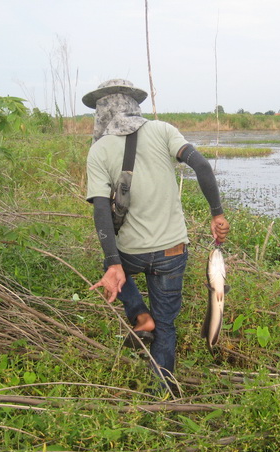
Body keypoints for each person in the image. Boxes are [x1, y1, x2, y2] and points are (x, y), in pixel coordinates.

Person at [83, 79, 229, 391]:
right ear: (134, 105)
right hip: (172, 252)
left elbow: (100, 210)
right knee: (166, 325)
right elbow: (201, 166)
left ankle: (138, 314)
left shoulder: (98, 151)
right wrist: (217, 212)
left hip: (130, 252)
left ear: (101, 111)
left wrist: (113, 263)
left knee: (111, 268)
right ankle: (164, 393)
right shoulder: (163, 130)